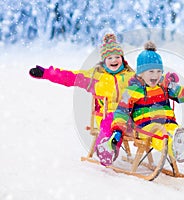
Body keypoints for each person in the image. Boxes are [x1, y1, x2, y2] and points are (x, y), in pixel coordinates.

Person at [29, 33, 135, 161]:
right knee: (110, 121)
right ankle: (106, 150)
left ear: (122, 58)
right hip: (107, 116)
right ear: (104, 60)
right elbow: (70, 77)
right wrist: (46, 73)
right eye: (110, 57)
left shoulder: (131, 76)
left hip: (129, 117)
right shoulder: (95, 76)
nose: (114, 60)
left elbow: (149, 85)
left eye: (117, 57)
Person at [107, 41, 184, 165]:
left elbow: (181, 94)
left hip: (168, 122)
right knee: (161, 135)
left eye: (158, 71)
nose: (155, 75)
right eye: (151, 72)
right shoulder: (132, 90)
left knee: (177, 133)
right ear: (141, 73)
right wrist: (117, 130)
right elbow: (121, 112)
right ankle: (174, 147)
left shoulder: (164, 85)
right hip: (145, 127)